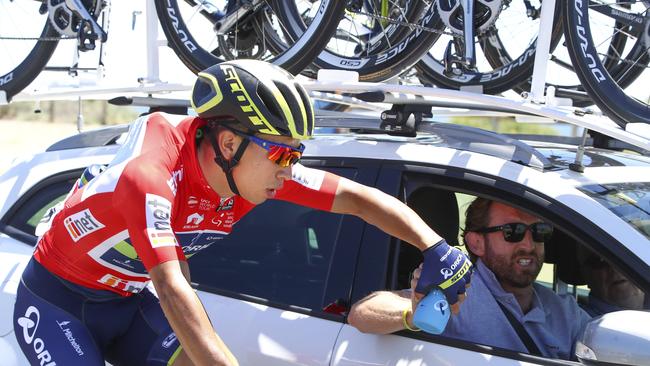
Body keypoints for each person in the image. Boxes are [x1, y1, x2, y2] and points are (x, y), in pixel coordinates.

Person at [13, 60, 472, 366]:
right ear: (229, 143)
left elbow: (356, 198)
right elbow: (173, 290)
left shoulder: (252, 173)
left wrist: (434, 247)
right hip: (58, 302)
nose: (290, 169)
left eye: (296, 155)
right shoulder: (151, 173)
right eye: (281, 155)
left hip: (126, 302)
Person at [348, 197, 591, 360]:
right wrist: (414, 314)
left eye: (540, 232)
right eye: (512, 232)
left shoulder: (565, 311)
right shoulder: (459, 290)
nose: (529, 244)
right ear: (476, 243)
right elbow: (361, 314)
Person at [576, 245, 646, 317]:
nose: (615, 268)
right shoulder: (581, 323)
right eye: (600, 260)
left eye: (624, 257)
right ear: (585, 274)